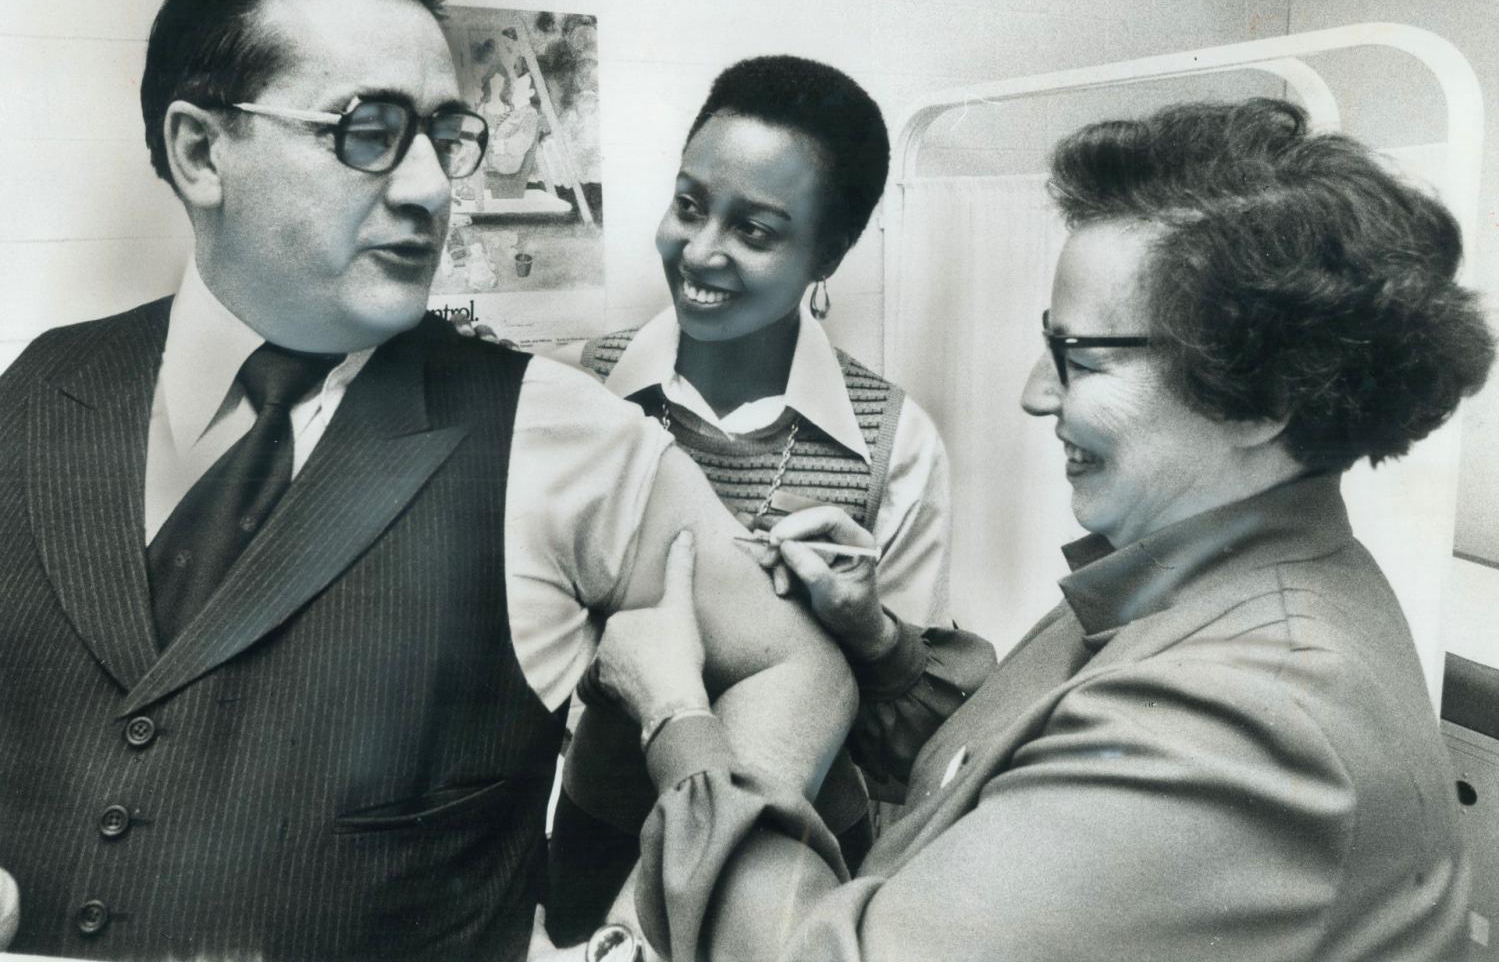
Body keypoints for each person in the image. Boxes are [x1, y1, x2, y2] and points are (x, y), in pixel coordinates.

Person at [0, 0, 853, 962]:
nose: (429, 190)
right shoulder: (43, 388)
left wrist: (649, 926)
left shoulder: (557, 429)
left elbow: (794, 665)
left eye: (441, 137)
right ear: (200, 150)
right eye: (367, 132)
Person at [592, 98, 1492, 960]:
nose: (1034, 392)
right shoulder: (1191, 578)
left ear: (1265, 396)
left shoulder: (1247, 718)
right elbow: (985, 767)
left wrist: (676, 713)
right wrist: (875, 641)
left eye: (1080, 357)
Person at [546, 56, 951, 942]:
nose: (701, 252)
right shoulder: (576, 396)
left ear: (828, 254)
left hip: (791, 856)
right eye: (689, 206)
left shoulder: (894, 441)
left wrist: (866, 629)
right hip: (599, 831)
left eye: (755, 231)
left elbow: (903, 745)